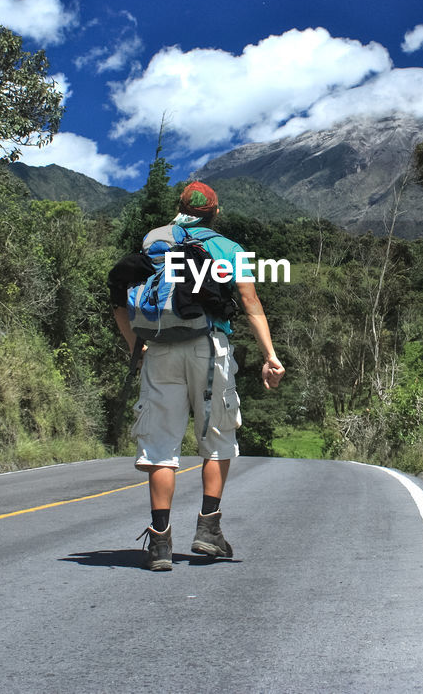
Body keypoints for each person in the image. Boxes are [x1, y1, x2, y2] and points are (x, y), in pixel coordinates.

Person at [111, 181, 286, 571]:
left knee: (160, 446)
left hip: (158, 349)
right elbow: (250, 303)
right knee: (218, 435)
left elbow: (123, 296)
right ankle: (208, 530)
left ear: (180, 208)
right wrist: (270, 356)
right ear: (215, 212)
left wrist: (134, 348)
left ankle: (160, 543)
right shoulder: (228, 249)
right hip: (209, 347)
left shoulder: (153, 241)